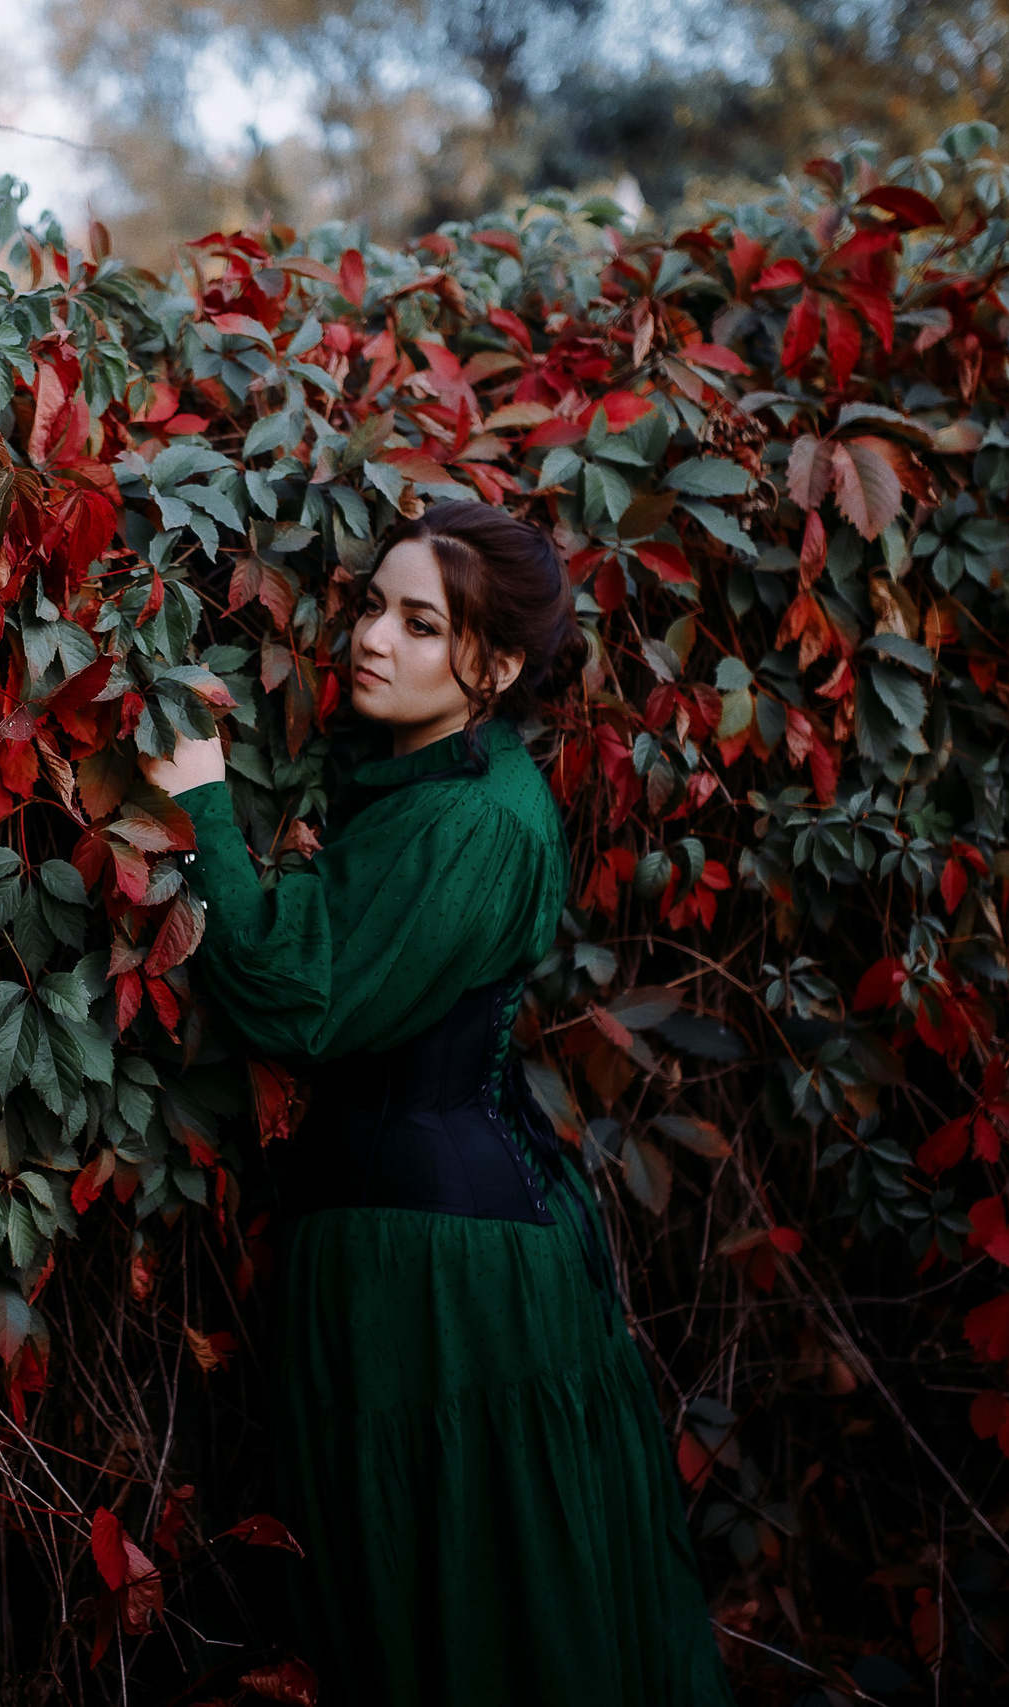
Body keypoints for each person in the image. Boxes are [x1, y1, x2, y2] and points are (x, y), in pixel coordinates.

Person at [138, 502, 734, 1706]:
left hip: (437, 1277)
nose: (372, 638)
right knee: (432, 1595)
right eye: (373, 607)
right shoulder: (443, 778)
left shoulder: (475, 820)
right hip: (418, 1241)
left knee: (463, 1605)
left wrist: (199, 813)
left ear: (494, 669)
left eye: (420, 625)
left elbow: (295, 997)